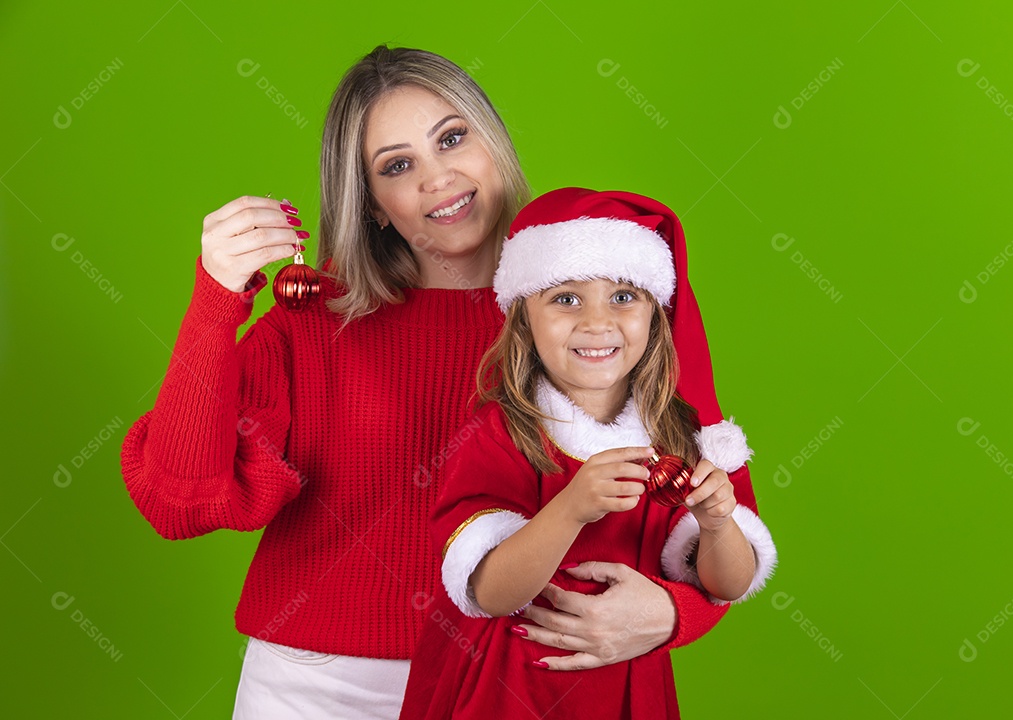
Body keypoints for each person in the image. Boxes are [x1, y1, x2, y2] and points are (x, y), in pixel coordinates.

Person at [120, 46, 738, 719]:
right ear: (374, 203)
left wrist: (674, 615)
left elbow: (713, 511)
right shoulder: (315, 318)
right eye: (397, 165)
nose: (438, 179)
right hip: (321, 687)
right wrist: (216, 301)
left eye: (451, 138)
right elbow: (179, 503)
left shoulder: (593, 304)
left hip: (510, 681)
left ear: (492, 142)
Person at [398, 187, 777, 719]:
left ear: (656, 313)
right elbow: (487, 592)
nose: (597, 322)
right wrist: (571, 508)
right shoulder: (499, 433)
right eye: (566, 297)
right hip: (505, 691)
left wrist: (717, 526)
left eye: (623, 296)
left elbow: (729, 586)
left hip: (627, 691)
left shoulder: (681, 438)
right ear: (524, 317)